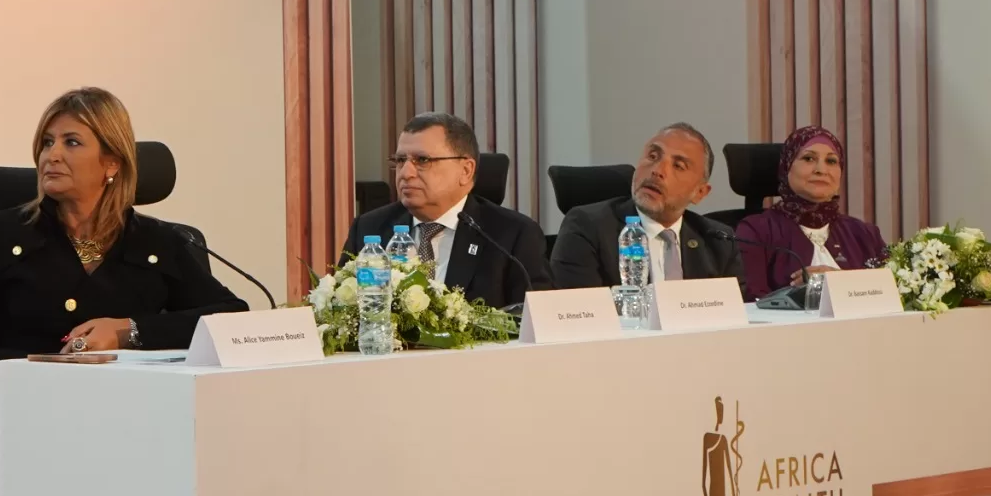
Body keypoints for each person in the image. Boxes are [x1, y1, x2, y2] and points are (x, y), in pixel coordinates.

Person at [0, 88, 246, 496]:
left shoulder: (159, 242)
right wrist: (34, 371)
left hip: (132, 441)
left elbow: (229, 317)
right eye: (47, 142)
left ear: (112, 162)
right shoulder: (3, 235)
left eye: (71, 142)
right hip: (26, 443)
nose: (51, 155)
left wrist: (130, 330)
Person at [341, 111, 551, 308]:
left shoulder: (512, 236)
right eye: (400, 160)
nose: (405, 173)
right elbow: (340, 309)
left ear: (466, 171)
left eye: (422, 160)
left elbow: (537, 321)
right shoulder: (370, 228)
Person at [550, 122, 740, 290]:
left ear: (700, 193)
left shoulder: (718, 241)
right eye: (653, 156)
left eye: (678, 166)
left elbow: (741, 313)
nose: (657, 170)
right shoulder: (588, 228)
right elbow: (582, 312)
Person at [734, 125, 889, 301]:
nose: (821, 170)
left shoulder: (864, 234)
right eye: (808, 158)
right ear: (786, 167)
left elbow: (893, 292)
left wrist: (840, 282)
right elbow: (750, 301)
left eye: (831, 161)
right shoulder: (756, 231)